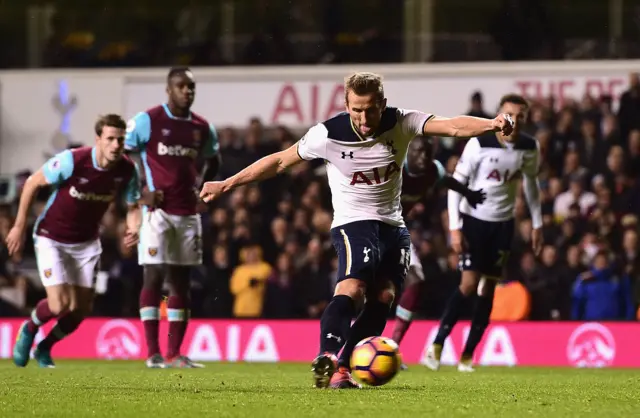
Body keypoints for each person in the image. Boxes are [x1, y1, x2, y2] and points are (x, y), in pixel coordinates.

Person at [200, 72, 513, 388]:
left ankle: (343, 369)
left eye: (371, 109)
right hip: (354, 223)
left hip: (394, 225)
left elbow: (453, 126)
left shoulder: (401, 122)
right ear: (346, 105)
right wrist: (227, 184)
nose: (364, 118)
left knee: (384, 298)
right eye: (356, 110)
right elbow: (280, 162)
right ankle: (327, 354)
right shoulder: (327, 134)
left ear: (383, 104)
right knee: (352, 289)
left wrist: (492, 124)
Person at [8, 114, 141, 368]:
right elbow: (33, 183)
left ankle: (45, 348)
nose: (115, 145)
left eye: (120, 140)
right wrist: (18, 225)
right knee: (59, 304)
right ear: (98, 139)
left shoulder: (126, 170)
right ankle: (30, 327)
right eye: (110, 139)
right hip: (52, 238)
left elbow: (134, 205)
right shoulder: (74, 160)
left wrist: (134, 227)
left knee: (79, 310)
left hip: (86, 243)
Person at [424, 94, 542, 372]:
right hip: (475, 221)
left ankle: (467, 355)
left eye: (520, 115)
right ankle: (438, 343)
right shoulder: (479, 143)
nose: (514, 120)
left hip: (503, 225)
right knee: (467, 284)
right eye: (509, 114)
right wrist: (454, 227)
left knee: (489, 287)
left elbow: (532, 185)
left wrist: (537, 223)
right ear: (500, 115)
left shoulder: (529, 147)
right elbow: (456, 184)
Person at [125, 67, 220, 368]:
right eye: (181, 86)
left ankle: (174, 353)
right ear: (169, 90)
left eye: (191, 87)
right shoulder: (148, 120)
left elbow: (213, 159)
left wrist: (201, 191)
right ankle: (152, 352)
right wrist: (141, 191)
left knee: (181, 282)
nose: (187, 91)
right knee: (153, 275)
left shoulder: (202, 127)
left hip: (188, 213)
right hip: (157, 213)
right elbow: (125, 155)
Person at [391, 136, 486, 368]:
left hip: (395, 231)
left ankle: (391, 348)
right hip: (369, 228)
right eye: (418, 152)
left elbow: (448, 182)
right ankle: (342, 349)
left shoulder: (434, 170)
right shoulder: (391, 167)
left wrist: (470, 194)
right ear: (406, 153)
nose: (424, 157)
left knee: (416, 282)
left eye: (427, 152)